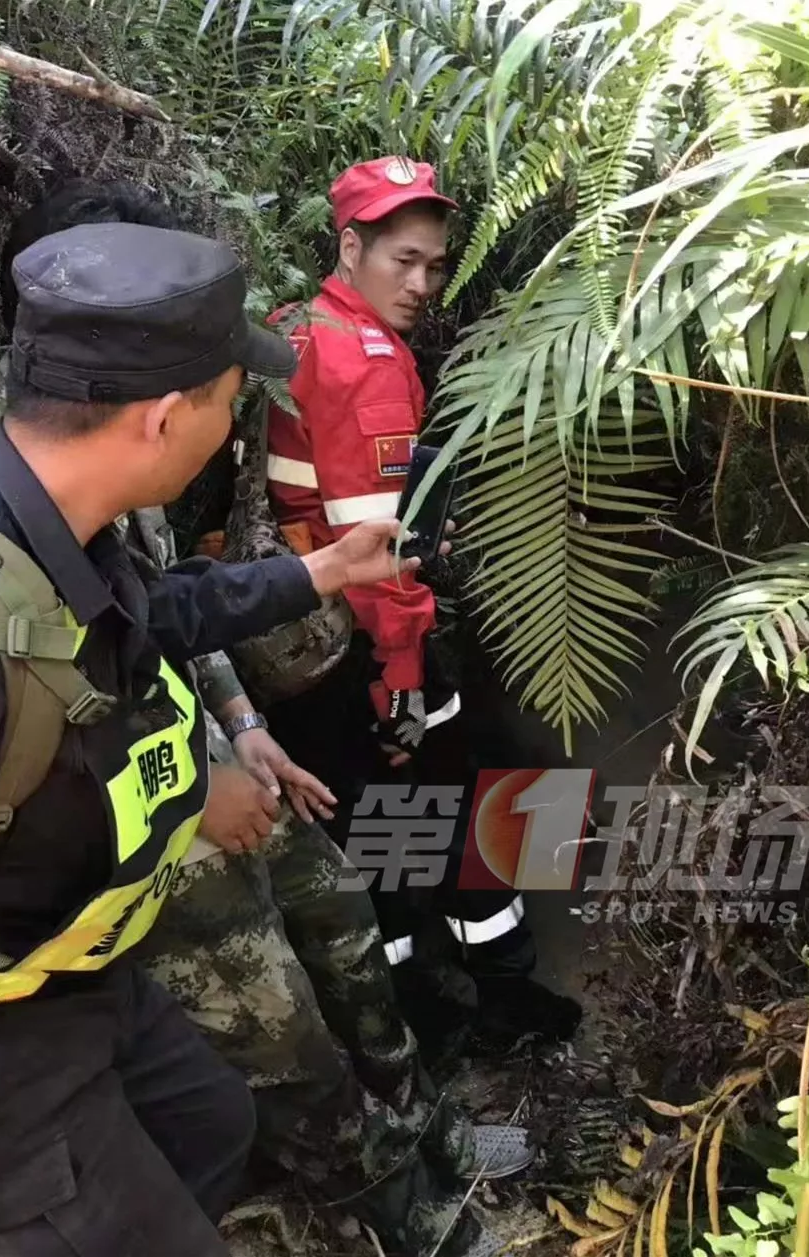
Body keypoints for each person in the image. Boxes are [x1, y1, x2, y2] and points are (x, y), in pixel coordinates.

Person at [0, 183, 533, 1257]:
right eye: (226, 399)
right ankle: (400, 1210)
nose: (235, 427)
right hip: (61, 927)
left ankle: (411, 1132)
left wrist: (277, 649)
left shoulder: (67, 460)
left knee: (319, 943)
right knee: (278, 1030)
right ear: (163, 413)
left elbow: (148, 608)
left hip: (149, 839)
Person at [261, 157, 533, 1007]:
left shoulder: (292, 325)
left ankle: (410, 990)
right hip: (364, 636)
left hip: (296, 627)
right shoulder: (366, 361)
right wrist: (403, 673)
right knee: (451, 799)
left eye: (435, 265)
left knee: (360, 817)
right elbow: (377, 549)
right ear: (351, 247)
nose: (421, 284)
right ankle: (508, 989)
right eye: (402, 260)